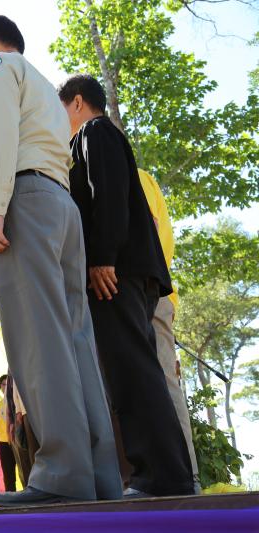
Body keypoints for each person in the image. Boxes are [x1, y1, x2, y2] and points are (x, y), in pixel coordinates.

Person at [0, 16, 122, 507]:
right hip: (61, 208)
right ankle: (99, 477)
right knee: (75, 341)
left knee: (38, 340)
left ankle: (61, 474)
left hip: (23, 202)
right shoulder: (45, 89)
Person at [58, 73, 194, 497]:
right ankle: (168, 474)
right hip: (128, 271)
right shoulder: (97, 137)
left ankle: (160, 477)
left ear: (76, 102)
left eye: (60, 110)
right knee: (135, 371)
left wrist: (103, 257)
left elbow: (109, 195)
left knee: (134, 374)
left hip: (118, 272)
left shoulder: (95, 133)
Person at [138, 168, 200, 493]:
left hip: (147, 291)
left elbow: (147, 229)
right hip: (142, 292)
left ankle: (187, 478)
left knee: (164, 379)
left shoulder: (134, 176)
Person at [0, 375, 17, 492]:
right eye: (3, 384)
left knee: (24, 471)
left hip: (17, 442)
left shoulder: (17, 403)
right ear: (0, 387)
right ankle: (11, 498)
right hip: (4, 444)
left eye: (8, 384)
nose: (6, 387)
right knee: (8, 475)